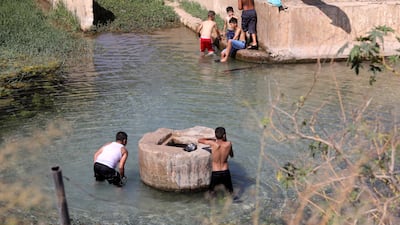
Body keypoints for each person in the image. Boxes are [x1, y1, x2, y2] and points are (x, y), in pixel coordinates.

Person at [198, 127, 234, 195]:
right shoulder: (229, 144)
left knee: (211, 192)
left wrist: (212, 139)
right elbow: (231, 155)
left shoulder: (212, 143)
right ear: (224, 135)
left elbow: (199, 140)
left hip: (216, 172)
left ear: (215, 135)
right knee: (230, 192)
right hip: (225, 171)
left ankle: (210, 205)